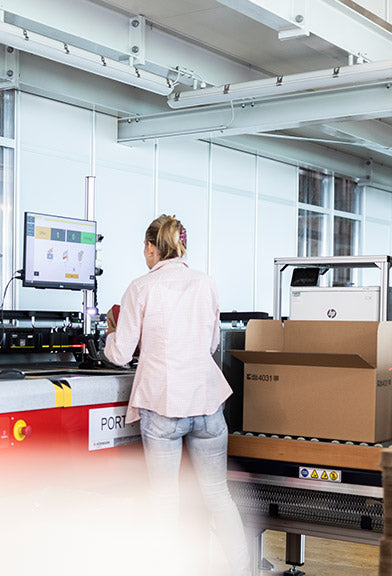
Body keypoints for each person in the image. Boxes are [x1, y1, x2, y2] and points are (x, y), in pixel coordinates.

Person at [103, 214, 251, 575]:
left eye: (144, 247)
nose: (144, 254)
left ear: (153, 247)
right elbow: (213, 342)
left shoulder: (140, 288)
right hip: (206, 403)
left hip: (163, 405)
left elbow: (121, 354)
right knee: (218, 497)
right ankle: (245, 571)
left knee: (165, 501)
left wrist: (110, 332)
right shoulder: (205, 283)